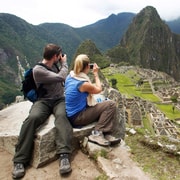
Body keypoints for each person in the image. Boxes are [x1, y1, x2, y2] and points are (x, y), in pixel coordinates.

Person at [12, 43, 73, 179]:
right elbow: (61, 77)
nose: (61, 57)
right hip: (43, 101)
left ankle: (64, 155)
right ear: (55, 56)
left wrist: (60, 64)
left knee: (62, 117)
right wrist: (65, 64)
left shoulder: (54, 65)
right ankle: (20, 160)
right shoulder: (38, 70)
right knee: (32, 119)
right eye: (59, 55)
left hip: (59, 99)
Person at [65, 54, 120, 147]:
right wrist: (95, 74)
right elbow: (99, 89)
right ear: (87, 67)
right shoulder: (82, 83)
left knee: (102, 101)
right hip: (77, 117)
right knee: (110, 104)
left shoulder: (70, 76)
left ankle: (106, 133)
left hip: (71, 113)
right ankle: (97, 133)